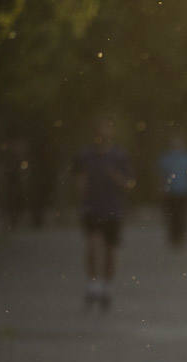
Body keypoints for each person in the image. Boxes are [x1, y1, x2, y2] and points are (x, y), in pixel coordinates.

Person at [72, 117, 132, 310]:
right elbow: (78, 180)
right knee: (92, 244)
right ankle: (93, 284)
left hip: (113, 208)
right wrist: (80, 200)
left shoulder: (119, 156)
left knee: (110, 250)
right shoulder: (85, 155)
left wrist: (115, 176)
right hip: (91, 207)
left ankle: (106, 286)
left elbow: (129, 183)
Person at [158, 135, 187, 248]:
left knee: (183, 214)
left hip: (184, 190)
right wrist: (162, 188)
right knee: (172, 215)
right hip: (171, 191)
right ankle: (173, 237)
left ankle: (182, 237)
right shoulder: (167, 158)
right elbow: (162, 175)